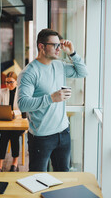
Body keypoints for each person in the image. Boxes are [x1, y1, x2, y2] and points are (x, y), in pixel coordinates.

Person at [17, 28, 88, 172]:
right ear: (41, 47)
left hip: (63, 132)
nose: (59, 49)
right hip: (41, 137)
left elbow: (83, 72)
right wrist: (51, 98)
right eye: (55, 45)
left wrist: (72, 53)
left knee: (63, 176)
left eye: (59, 45)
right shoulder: (29, 73)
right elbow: (22, 105)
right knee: (37, 178)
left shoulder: (59, 65)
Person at [0, 71, 24, 173]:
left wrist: (13, 113)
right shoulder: (3, 92)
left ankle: (14, 163)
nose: (8, 85)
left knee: (13, 135)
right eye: (6, 82)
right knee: (4, 135)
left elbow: (24, 109)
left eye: (10, 82)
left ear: (16, 82)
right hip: (6, 122)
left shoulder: (21, 92)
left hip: (19, 123)